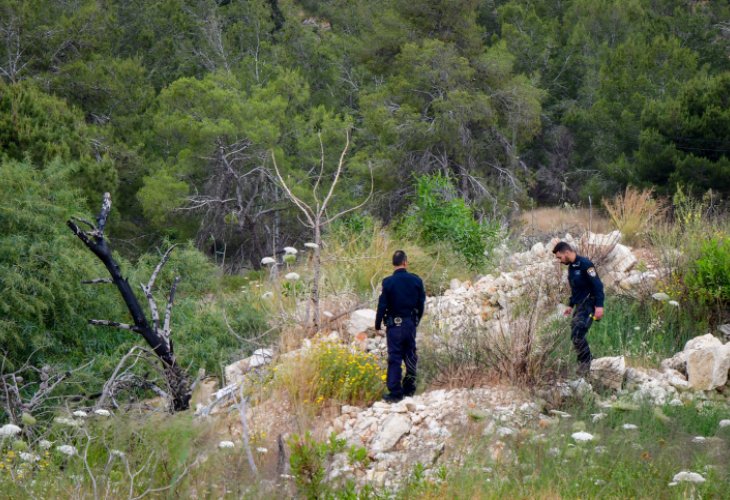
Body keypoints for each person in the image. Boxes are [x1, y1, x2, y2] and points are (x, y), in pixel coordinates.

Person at [375, 250, 426, 403]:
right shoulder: (416, 281)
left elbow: (382, 305)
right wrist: (416, 321)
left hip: (394, 326)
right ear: (405, 262)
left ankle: (396, 393)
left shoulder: (388, 282)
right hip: (409, 324)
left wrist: (377, 324)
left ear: (393, 263)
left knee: (395, 358)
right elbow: (421, 304)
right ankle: (409, 389)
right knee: (410, 354)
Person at [552, 241, 605, 375]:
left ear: (567, 252)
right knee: (575, 334)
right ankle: (586, 362)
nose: (559, 260)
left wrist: (599, 306)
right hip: (579, 306)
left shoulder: (586, 265)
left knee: (578, 334)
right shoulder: (571, 267)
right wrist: (570, 305)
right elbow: (576, 290)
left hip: (590, 304)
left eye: (559, 257)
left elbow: (598, 286)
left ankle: (586, 364)